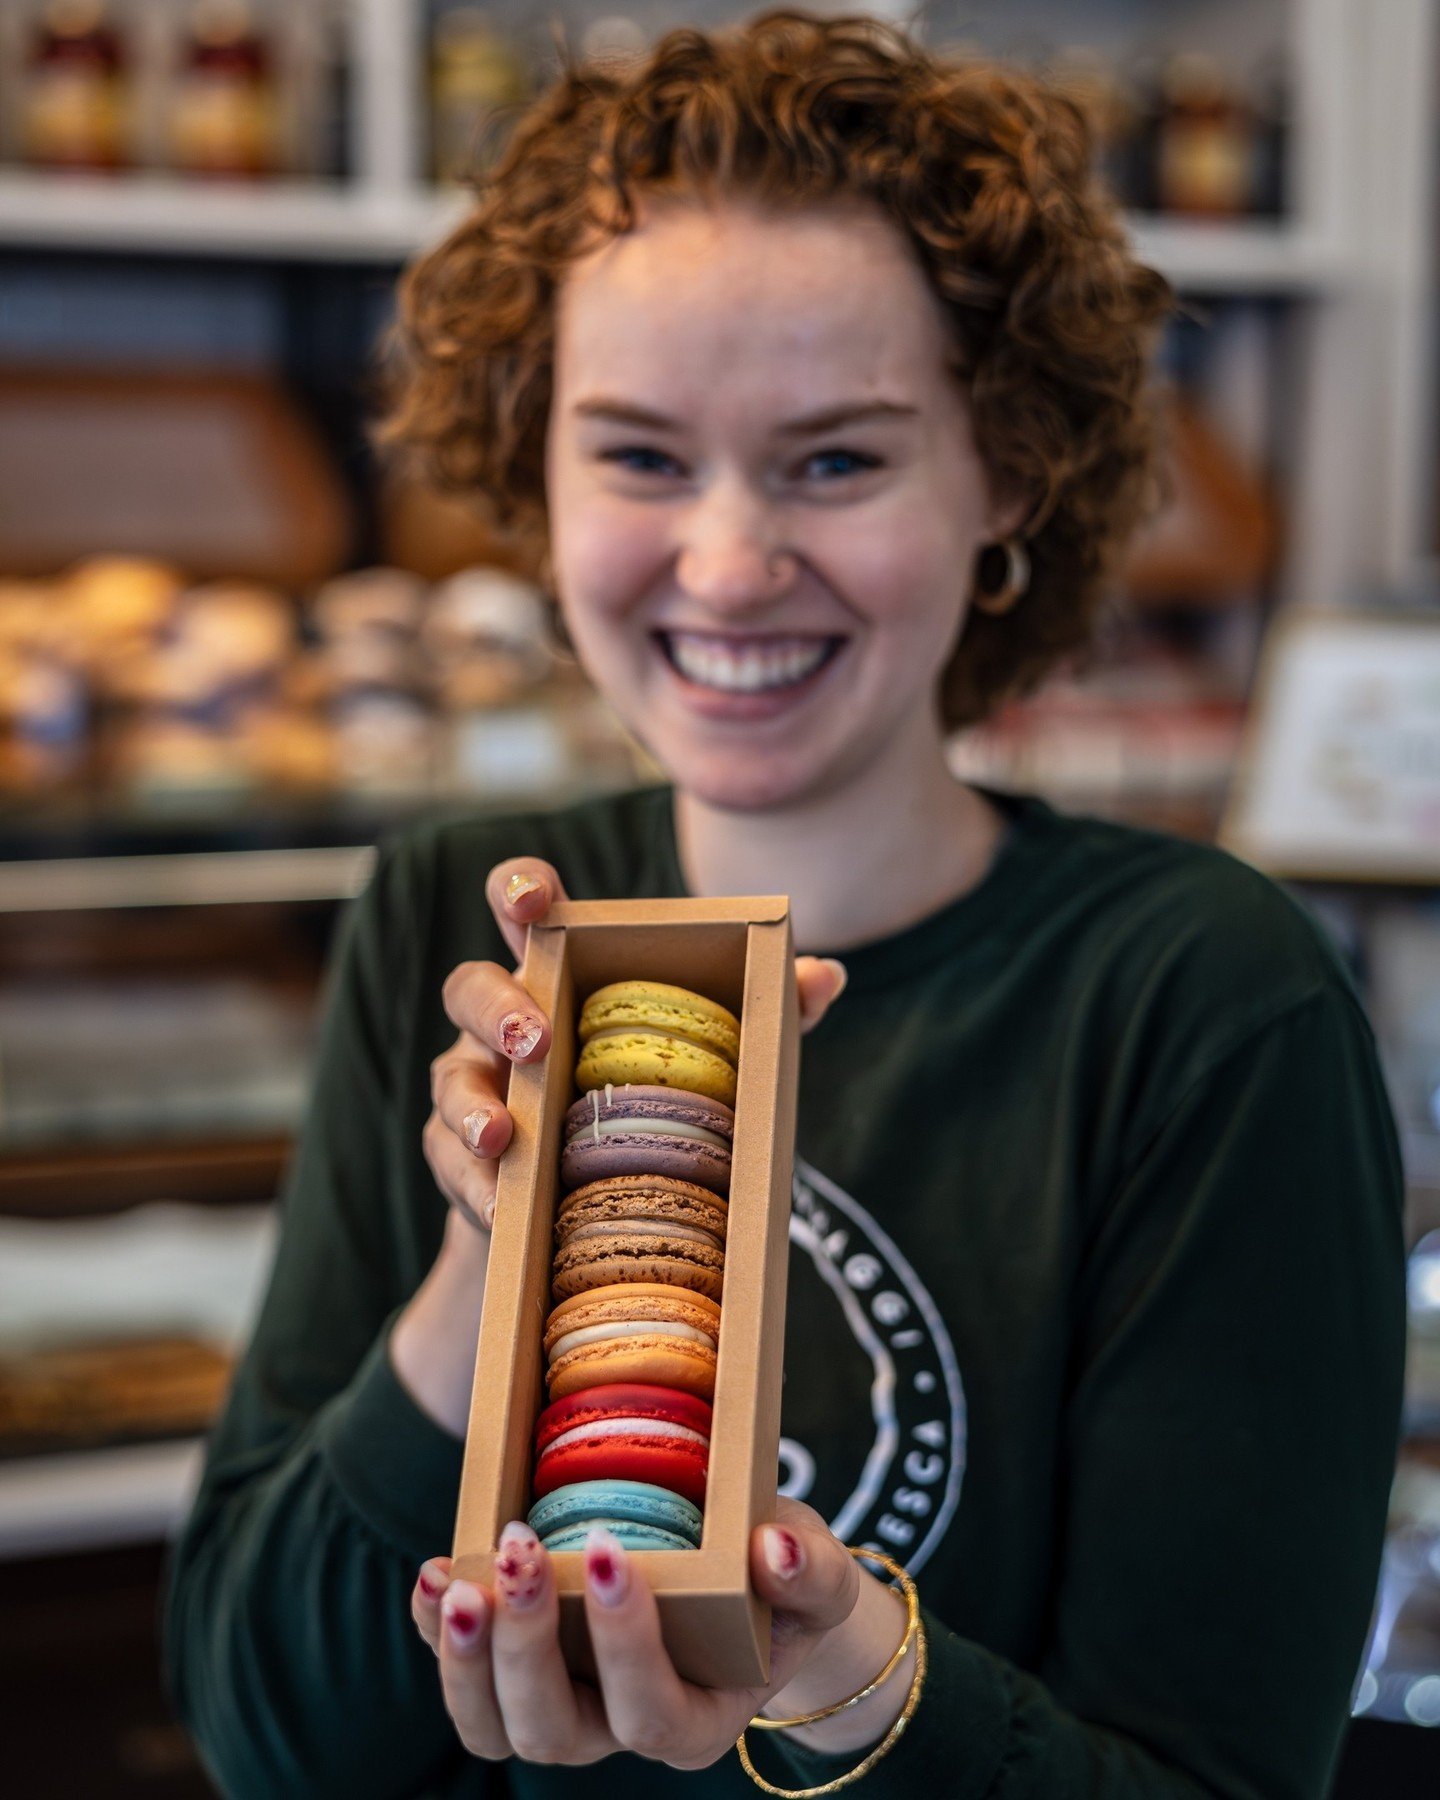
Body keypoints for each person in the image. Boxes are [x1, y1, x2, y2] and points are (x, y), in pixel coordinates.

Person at [163, 12, 1406, 1798]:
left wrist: (843, 1680)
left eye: (837, 460)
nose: (730, 564)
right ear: (536, 472)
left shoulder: (1204, 1002)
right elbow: (266, 1731)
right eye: (642, 456)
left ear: (1008, 482)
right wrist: (480, 1271)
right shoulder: (456, 916)